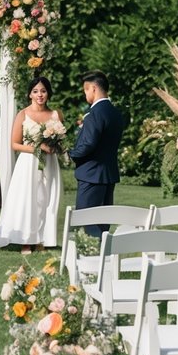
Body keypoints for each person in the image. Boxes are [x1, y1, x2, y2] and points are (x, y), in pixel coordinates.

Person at [0, 76, 63, 252]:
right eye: (36, 91)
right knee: (29, 200)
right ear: (30, 94)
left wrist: (54, 147)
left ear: (48, 93)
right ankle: (26, 241)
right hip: (28, 164)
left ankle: (43, 239)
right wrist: (37, 148)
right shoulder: (23, 114)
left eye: (43, 91)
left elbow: (59, 140)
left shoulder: (55, 115)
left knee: (47, 200)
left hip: (49, 164)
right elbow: (14, 144)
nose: (40, 95)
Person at [68, 70, 124, 239]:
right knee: (103, 223)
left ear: (93, 88)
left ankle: (89, 261)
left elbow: (88, 144)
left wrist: (70, 153)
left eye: (85, 90)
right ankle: (104, 259)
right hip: (108, 175)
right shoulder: (116, 113)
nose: (85, 94)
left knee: (87, 223)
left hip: (91, 174)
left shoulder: (95, 114)